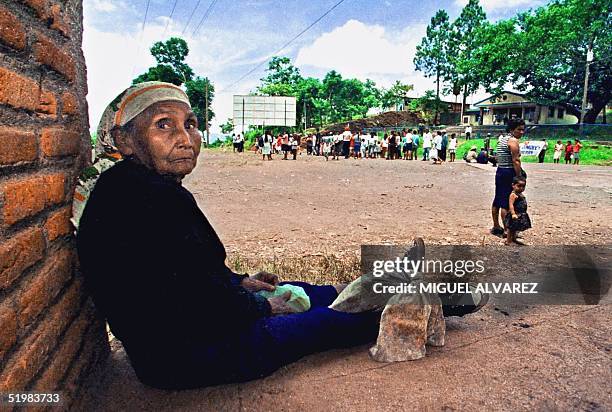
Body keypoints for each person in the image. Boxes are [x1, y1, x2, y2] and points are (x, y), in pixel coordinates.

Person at [77, 82, 490, 389]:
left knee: (307, 290)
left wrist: (240, 282)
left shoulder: (135, 188)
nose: (185, 139)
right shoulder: (147, 199)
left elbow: (178, 275)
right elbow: (190, 306)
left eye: (190, 124)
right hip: (186, 357)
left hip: (192, 333)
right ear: (126, 141)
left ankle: (385, 283)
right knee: (324, 322)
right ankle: (435, 300)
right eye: (163, 126)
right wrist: (262, 308)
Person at [491, 118, 525, 238]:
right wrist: (519, 175)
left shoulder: (502, 139)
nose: (521, 132)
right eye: (519, 129)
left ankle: (496, 226)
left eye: (523, 129)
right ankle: (507, 230)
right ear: (512, 130)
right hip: (508, 172)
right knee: (506, 202)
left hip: (500, 170)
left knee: (497, 199)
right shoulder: (513, 141)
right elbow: (516, 160)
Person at [504, 176, 531, 245]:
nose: (521, 188)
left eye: (523, 186)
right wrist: (513, 213)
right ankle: (508, 241)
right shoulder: (513, 195)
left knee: (515, 227)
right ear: (513, 185)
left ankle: (514, 239)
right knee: (511, 228)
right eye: (519, 186)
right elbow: (511, 205)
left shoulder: (520, 194)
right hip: (515, 214)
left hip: (520, 214)